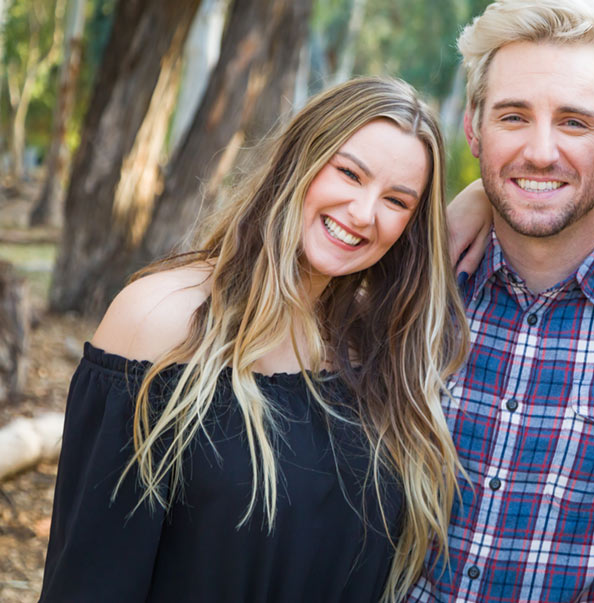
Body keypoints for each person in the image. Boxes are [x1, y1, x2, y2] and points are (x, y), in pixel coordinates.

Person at [39, 77, 468, 603]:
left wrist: (484, 203)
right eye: (349, 173)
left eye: (397, 202)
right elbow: (90, 576)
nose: (363, 213)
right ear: (299, 163)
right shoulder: (161, 319)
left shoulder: (375, 350)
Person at [406, 0, 594, 602]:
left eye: (574, 122)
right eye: (513, 116)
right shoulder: (411, 287)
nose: (540, 152)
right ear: (473, 129)